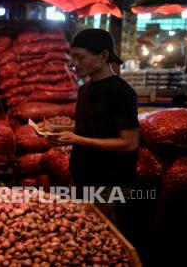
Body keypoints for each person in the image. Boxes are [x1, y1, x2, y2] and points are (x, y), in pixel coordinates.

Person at [40, 28, 140, 236]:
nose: (75, 63)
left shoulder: (121, 92)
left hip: (108, 184)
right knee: (81, 236)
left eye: (80, 57)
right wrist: (59, 130)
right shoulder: (85, 89)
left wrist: (77, 139)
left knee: (106, 239)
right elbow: (90, 128)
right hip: (80, 177)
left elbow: (129, 143)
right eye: (72, 57)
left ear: (103, 56)